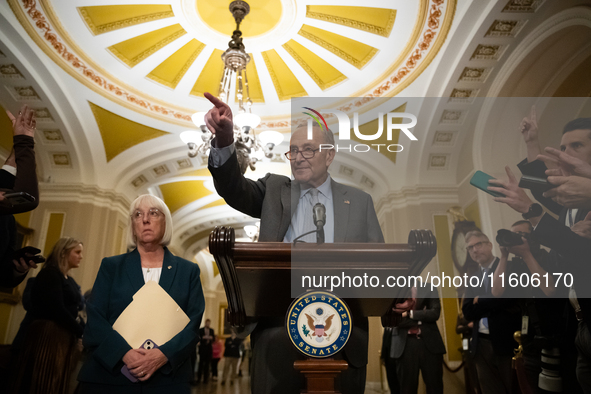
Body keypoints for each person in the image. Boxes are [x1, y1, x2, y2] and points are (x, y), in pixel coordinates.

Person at [205, 92, 384, 394]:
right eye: (293, 150)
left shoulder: (361, 201)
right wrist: (224, 140)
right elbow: (233, 189)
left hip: (345, 332)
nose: (299, 156)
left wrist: (400, 288)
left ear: (329, 154)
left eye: (309, 150)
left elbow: (379, 262)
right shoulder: (274, 189)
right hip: (278, 333)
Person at [77, 194, 205, 394]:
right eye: (138, 214)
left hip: (167, 380)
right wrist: (124, 353)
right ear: (133, 225)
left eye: (153, 213)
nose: (145, 219)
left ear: (166, 223)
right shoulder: (111, 266)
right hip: (111, 377)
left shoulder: (188, 271)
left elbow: (193, 324)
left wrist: (163, 355)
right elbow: (95, 318)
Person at [10, 237, 85, 394]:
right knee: (44, 381)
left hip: (62, 336)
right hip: (49, 336)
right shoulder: (50, 274)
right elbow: (56, 308)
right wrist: (80, 331)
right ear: (64, 253)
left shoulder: (69, 279)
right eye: (77, 252)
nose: (81, 256)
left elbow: (74, 309)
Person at [462, 231, 521, 394]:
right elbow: (467, 311)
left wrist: (480, 300)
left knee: (514, 388)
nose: (474, 250)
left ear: (489, 245)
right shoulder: (473, 277)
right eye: (470, 248)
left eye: (478, 244)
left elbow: (506, 300)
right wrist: (491, 301)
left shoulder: (509, 267)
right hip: (480, 344)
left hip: (506, 341)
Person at [0, 104, 40, 288]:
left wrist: (18, 268)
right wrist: (24, 143)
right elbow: (28, 198)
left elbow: (5, 278)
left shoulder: (7, 221)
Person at [389, 286, 446, 394]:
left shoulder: (430, 289)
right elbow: (394, 320)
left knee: (435, 388)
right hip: (404, 346)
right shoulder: (393, 291)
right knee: (407, 389)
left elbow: (435, 313)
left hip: (430, 345)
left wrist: (410, 314)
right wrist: (422, 319)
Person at [196, 319, 214, 383]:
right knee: (201, 364)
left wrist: (210, 338)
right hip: (202, 349)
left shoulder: (211, 330)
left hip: (208, 350)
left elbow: (213, 339)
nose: (208, 324)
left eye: (209, 323)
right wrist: (203, 338)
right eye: (207, 323)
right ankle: (199, 378)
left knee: (207, 365)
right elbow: (199, 338)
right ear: (205, 323)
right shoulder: (201, 330)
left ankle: (205, 379)